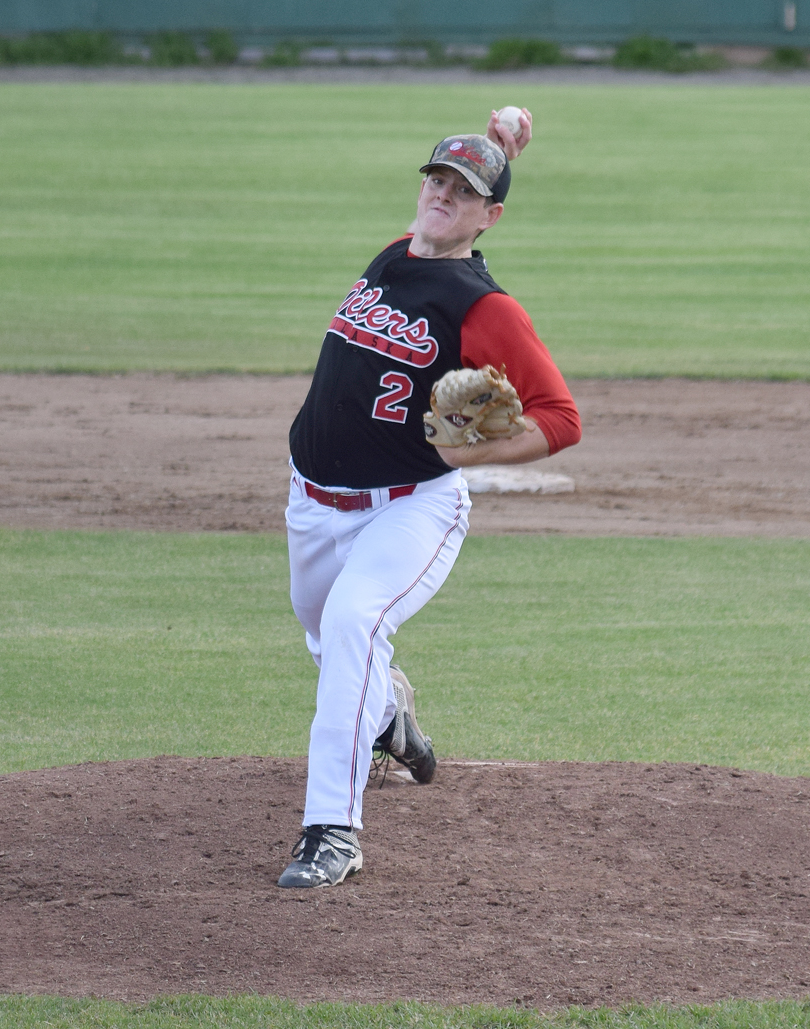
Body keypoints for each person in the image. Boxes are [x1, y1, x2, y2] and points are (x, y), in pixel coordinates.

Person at [277, 110, 581, 888]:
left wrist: (476, 449)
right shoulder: (392, 255)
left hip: (409, 506)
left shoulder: (486, 309)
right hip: (311, 502)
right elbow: (449, 207)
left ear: (491, 216)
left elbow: (560, 416)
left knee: (353, 622)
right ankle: (389, 721)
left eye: (465, 189)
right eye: (437, 178)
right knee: (329, 642)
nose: (443, 193)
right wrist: (494, 151)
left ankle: (331, 829)